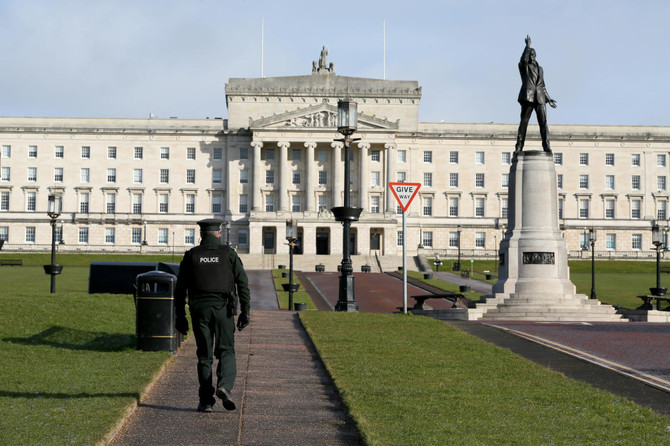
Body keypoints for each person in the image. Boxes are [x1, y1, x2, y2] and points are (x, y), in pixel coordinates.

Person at [174, 218, 250, 413]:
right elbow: (242, 283)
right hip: (223, 309)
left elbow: (180, 288)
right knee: (226, 350)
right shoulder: (229, 254)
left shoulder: (191, 255)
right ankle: (224, 385)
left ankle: (206, 400)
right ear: (218, 233)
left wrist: (180, 316)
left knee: (204, 356)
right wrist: (245, 311)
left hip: (199, 309)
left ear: (201, 234)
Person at [515, 35, 557, 153]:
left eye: (533, 55)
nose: (531, 57)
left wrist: (549, 99)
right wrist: (527, 47)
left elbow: (542, 85)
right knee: (524, 123)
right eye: (530, 55)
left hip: (540, 98)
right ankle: (519, 146)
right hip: (528, 97)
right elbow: (522, 60)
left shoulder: (541, 69)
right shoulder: (524, 67)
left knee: (543, 123)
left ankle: (546, 146)